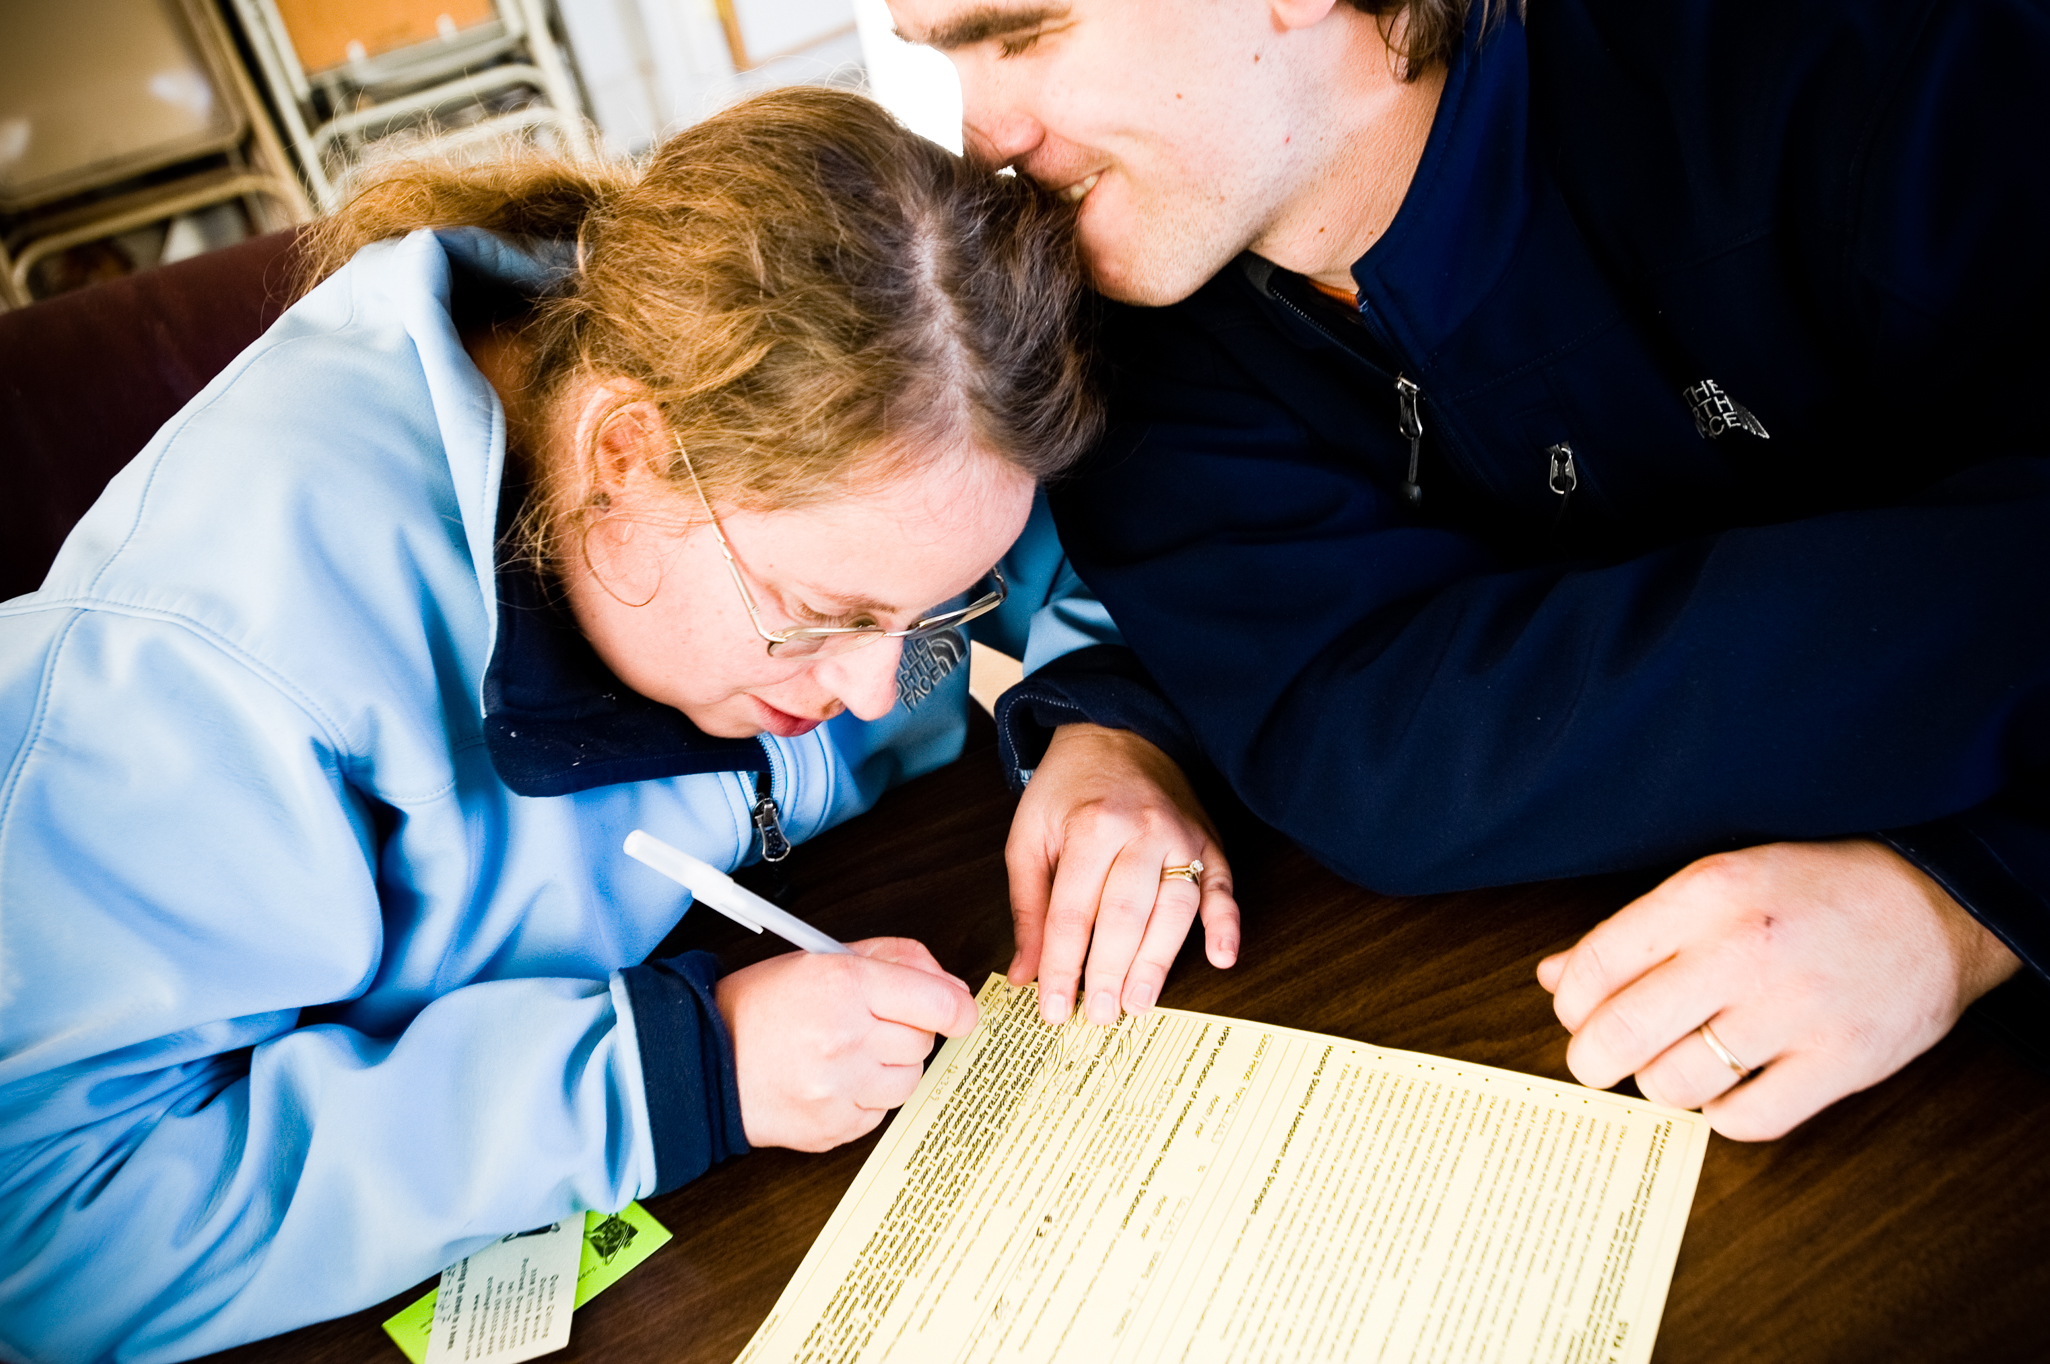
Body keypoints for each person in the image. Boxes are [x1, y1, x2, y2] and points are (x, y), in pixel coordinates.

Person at [0, 87, 1140, 1363]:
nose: (883, 688)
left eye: (939, 613)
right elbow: (49, 1226)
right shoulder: (211, 663)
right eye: (819, 615)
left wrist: (1103, 718)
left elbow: (1113, 536)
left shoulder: (868, 387)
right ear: (624, 453)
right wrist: (674, 1069)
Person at [887, 0, 2050, 1139]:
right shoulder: (1129, 333)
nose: (988, 134)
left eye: (1026, 32)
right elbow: (1362, 746)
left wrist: (1968, 900)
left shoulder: (1878, 70)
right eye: (949, 58)